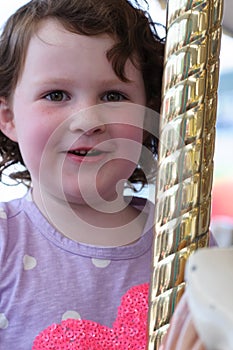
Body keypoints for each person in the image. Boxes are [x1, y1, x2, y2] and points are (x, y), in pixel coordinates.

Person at [0, 0, 164, 348]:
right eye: (56, 94)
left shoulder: (178, 238)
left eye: (113, 95)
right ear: (8, 117)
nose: (88, 120)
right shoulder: (6, 242)